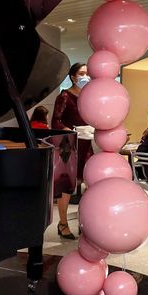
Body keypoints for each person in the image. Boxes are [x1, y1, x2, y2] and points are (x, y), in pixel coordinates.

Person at [51, 63, 91, 239]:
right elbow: (56, 121)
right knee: (67, 187)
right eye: (82, 73)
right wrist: (71, 131)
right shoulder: (65, 96)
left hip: (86, 144)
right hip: (69, 145)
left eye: (88, 73)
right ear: (73, 77)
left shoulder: (89, 96)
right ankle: (63, 223)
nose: (85, 77)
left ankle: (86, 221)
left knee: (90, 182)